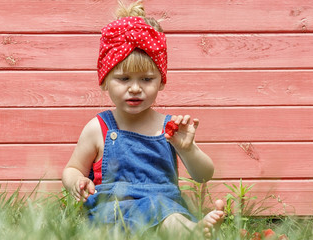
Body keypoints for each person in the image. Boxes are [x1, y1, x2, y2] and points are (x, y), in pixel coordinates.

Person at [62, 0, 224, 239]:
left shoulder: (170, 128)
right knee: (157, 210)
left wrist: (188, 150)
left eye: (147, 79)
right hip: (113, 211)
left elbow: (203, 175)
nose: (135, 88)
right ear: (105, 81)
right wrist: (77, 182)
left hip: (164, 209)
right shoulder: (99, 128)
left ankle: (190, 231)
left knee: (168, 213)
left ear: (162, 81)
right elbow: (73, 168)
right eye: (124, 78)